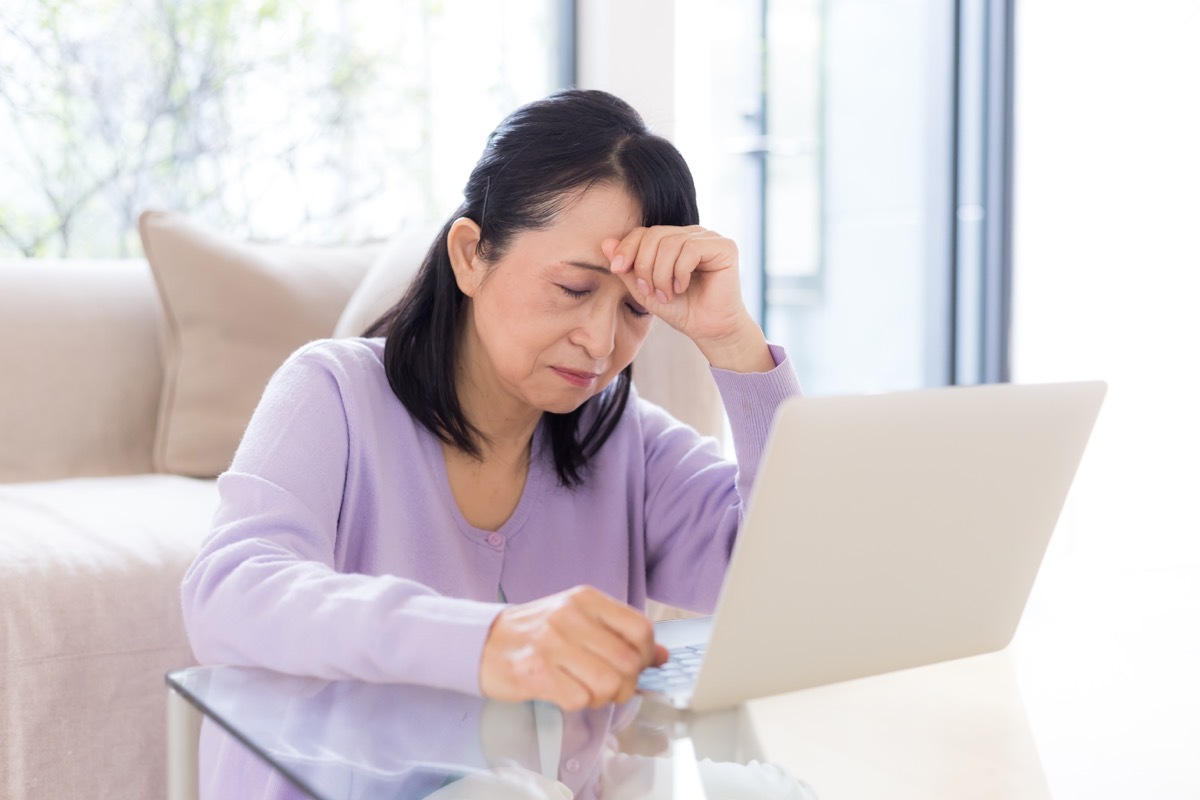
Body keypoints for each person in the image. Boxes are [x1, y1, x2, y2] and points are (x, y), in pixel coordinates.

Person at [181, 88, 801, 795]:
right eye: (573, 288)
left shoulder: (623, 438)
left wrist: (733, 343)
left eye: (635, 307)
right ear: (472, 255)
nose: (601, 342)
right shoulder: (335, 392)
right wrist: (489, 642)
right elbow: (229, 593)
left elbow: (783, 581)